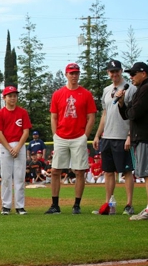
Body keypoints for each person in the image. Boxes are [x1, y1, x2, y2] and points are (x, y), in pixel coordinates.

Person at [45, 63, 97, 215]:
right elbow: (54, 116)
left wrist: (85, 136)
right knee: (55, 170)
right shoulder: (58, 94)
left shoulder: (86, 94)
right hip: (61, 136)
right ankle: (55, 205)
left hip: (78, 137)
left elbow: (91, 117)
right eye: (71, 73)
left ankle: (76, 205)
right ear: (66, 74)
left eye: (76, 73)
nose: (74, 76)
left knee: (80, 171)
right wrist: (55, 135)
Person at [115, 62, 148, 220]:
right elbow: (127, 114)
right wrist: (121, 103)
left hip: (146, 136)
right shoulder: (141, 90)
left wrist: (127, 107)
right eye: (130, 74)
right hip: (140, 137)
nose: (131, 77)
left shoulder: (146, 89)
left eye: (134, 74)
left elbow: (134, 113)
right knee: (146, 172)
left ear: (144, 74)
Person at [92, 60, 137, 214]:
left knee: (126, 172)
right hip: (107, 136)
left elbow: (133, 115)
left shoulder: (131, 89)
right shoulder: (106, 90)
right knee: (108, 171)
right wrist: (98, 135)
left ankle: (129, 205)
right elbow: (105, 114)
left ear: (121, 71)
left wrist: (130, 135)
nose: (114, 74)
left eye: (117, 71)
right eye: (111, 71)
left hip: (122, 136)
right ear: (108, 73)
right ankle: (109, 205)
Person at [0, 86, 31, 215]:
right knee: (6, 177)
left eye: (14, 95)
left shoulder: (22, 112)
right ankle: (6, 206)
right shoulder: (0, 113)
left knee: (20, 177)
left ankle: (20, 206)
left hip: (19, 144)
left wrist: (18, 147)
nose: (13, 98)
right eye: (10, 96)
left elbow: (26, 131)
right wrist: (9, 148)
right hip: (5, 145)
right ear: (4, 98)